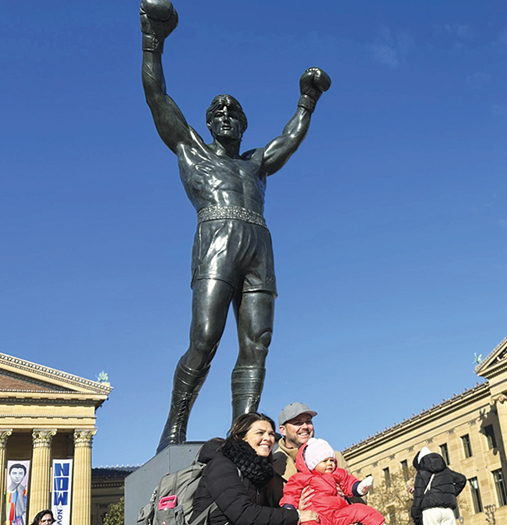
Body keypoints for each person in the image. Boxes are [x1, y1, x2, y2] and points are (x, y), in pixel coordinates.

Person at [140, 0, 332, 453]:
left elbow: (290, 137)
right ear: (208, 124)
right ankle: (174, 426)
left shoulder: (256, 164)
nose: (225, 116)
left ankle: (243, 434)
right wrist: (153, 43)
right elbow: (157, 97)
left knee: (257, 344)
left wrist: (308, 98)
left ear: (243, 125)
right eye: (217, 113)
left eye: (233, 113)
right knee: (204, 339)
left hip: (258, 244)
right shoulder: (193, 150)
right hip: (217, 238)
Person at [191, 412, 318, 525]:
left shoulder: (259, 473)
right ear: (242, 437)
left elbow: (264, 514)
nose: (268, 438)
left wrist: (293, 509)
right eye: (260, 433)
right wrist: (296, 515)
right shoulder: (222, 464)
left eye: (271, 434)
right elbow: (243, 514)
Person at [280, 438, 380, 525]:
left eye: (331, 460)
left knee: (360, 510)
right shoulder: (301, 477)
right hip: (315, 516)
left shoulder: (337, 473)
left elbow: (348, 482)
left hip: (338, 513)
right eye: (324, 461)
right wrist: (289, 508)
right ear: (312, 464)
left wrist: (358, 488)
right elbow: (291, 493)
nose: (329, 464)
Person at [409, 446, 467, 525]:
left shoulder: (421, 473)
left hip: (430, 512)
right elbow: (461, 479)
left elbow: (418, 499)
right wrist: (447, 495)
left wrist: (416, 518)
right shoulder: (445, 470)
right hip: (448, 511)